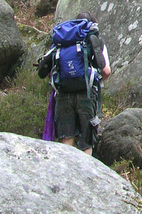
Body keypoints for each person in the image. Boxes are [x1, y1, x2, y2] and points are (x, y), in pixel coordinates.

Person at [39, 11, 111, 155]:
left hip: (63, 95)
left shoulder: (62, 41)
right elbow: (106, 71)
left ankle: (67, 173)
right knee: (86, 141)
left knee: (66, 139)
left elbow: (47, 71)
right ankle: (85, 175)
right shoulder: (94, 40)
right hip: (86, 93)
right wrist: (93, 81)